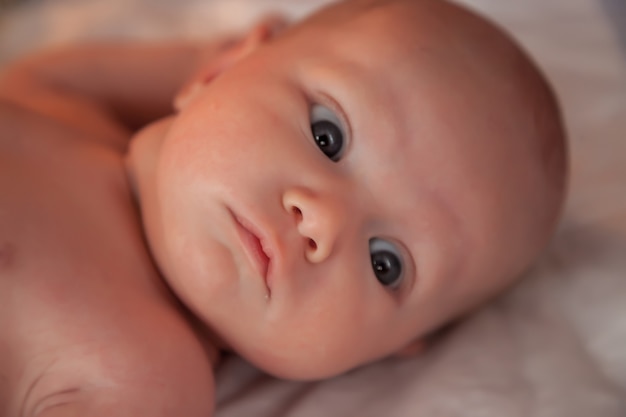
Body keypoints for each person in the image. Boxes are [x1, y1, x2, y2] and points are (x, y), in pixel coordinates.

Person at [0, 0, 567, 415]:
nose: (324, 223)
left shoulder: (144, 376)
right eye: (327, 136)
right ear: (218, 71)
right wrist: (199, 60)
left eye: (385, 263)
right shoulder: (67, 106)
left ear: (382, 351)